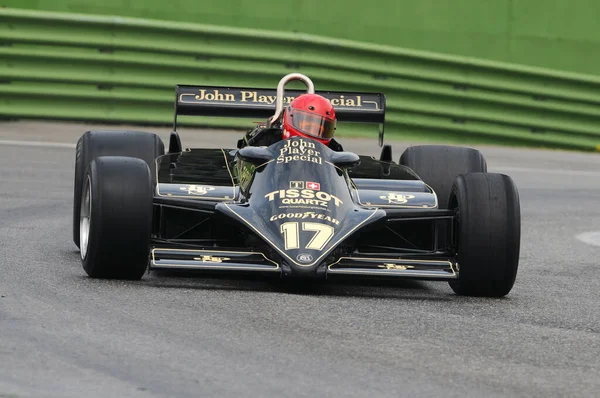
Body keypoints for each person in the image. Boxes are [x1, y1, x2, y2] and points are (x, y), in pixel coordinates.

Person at [237, 94, 344, 151]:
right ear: (289, 117)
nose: (313, 133)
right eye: (307, 126)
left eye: (321, 130)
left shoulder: (333, 151)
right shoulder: (265, 140)